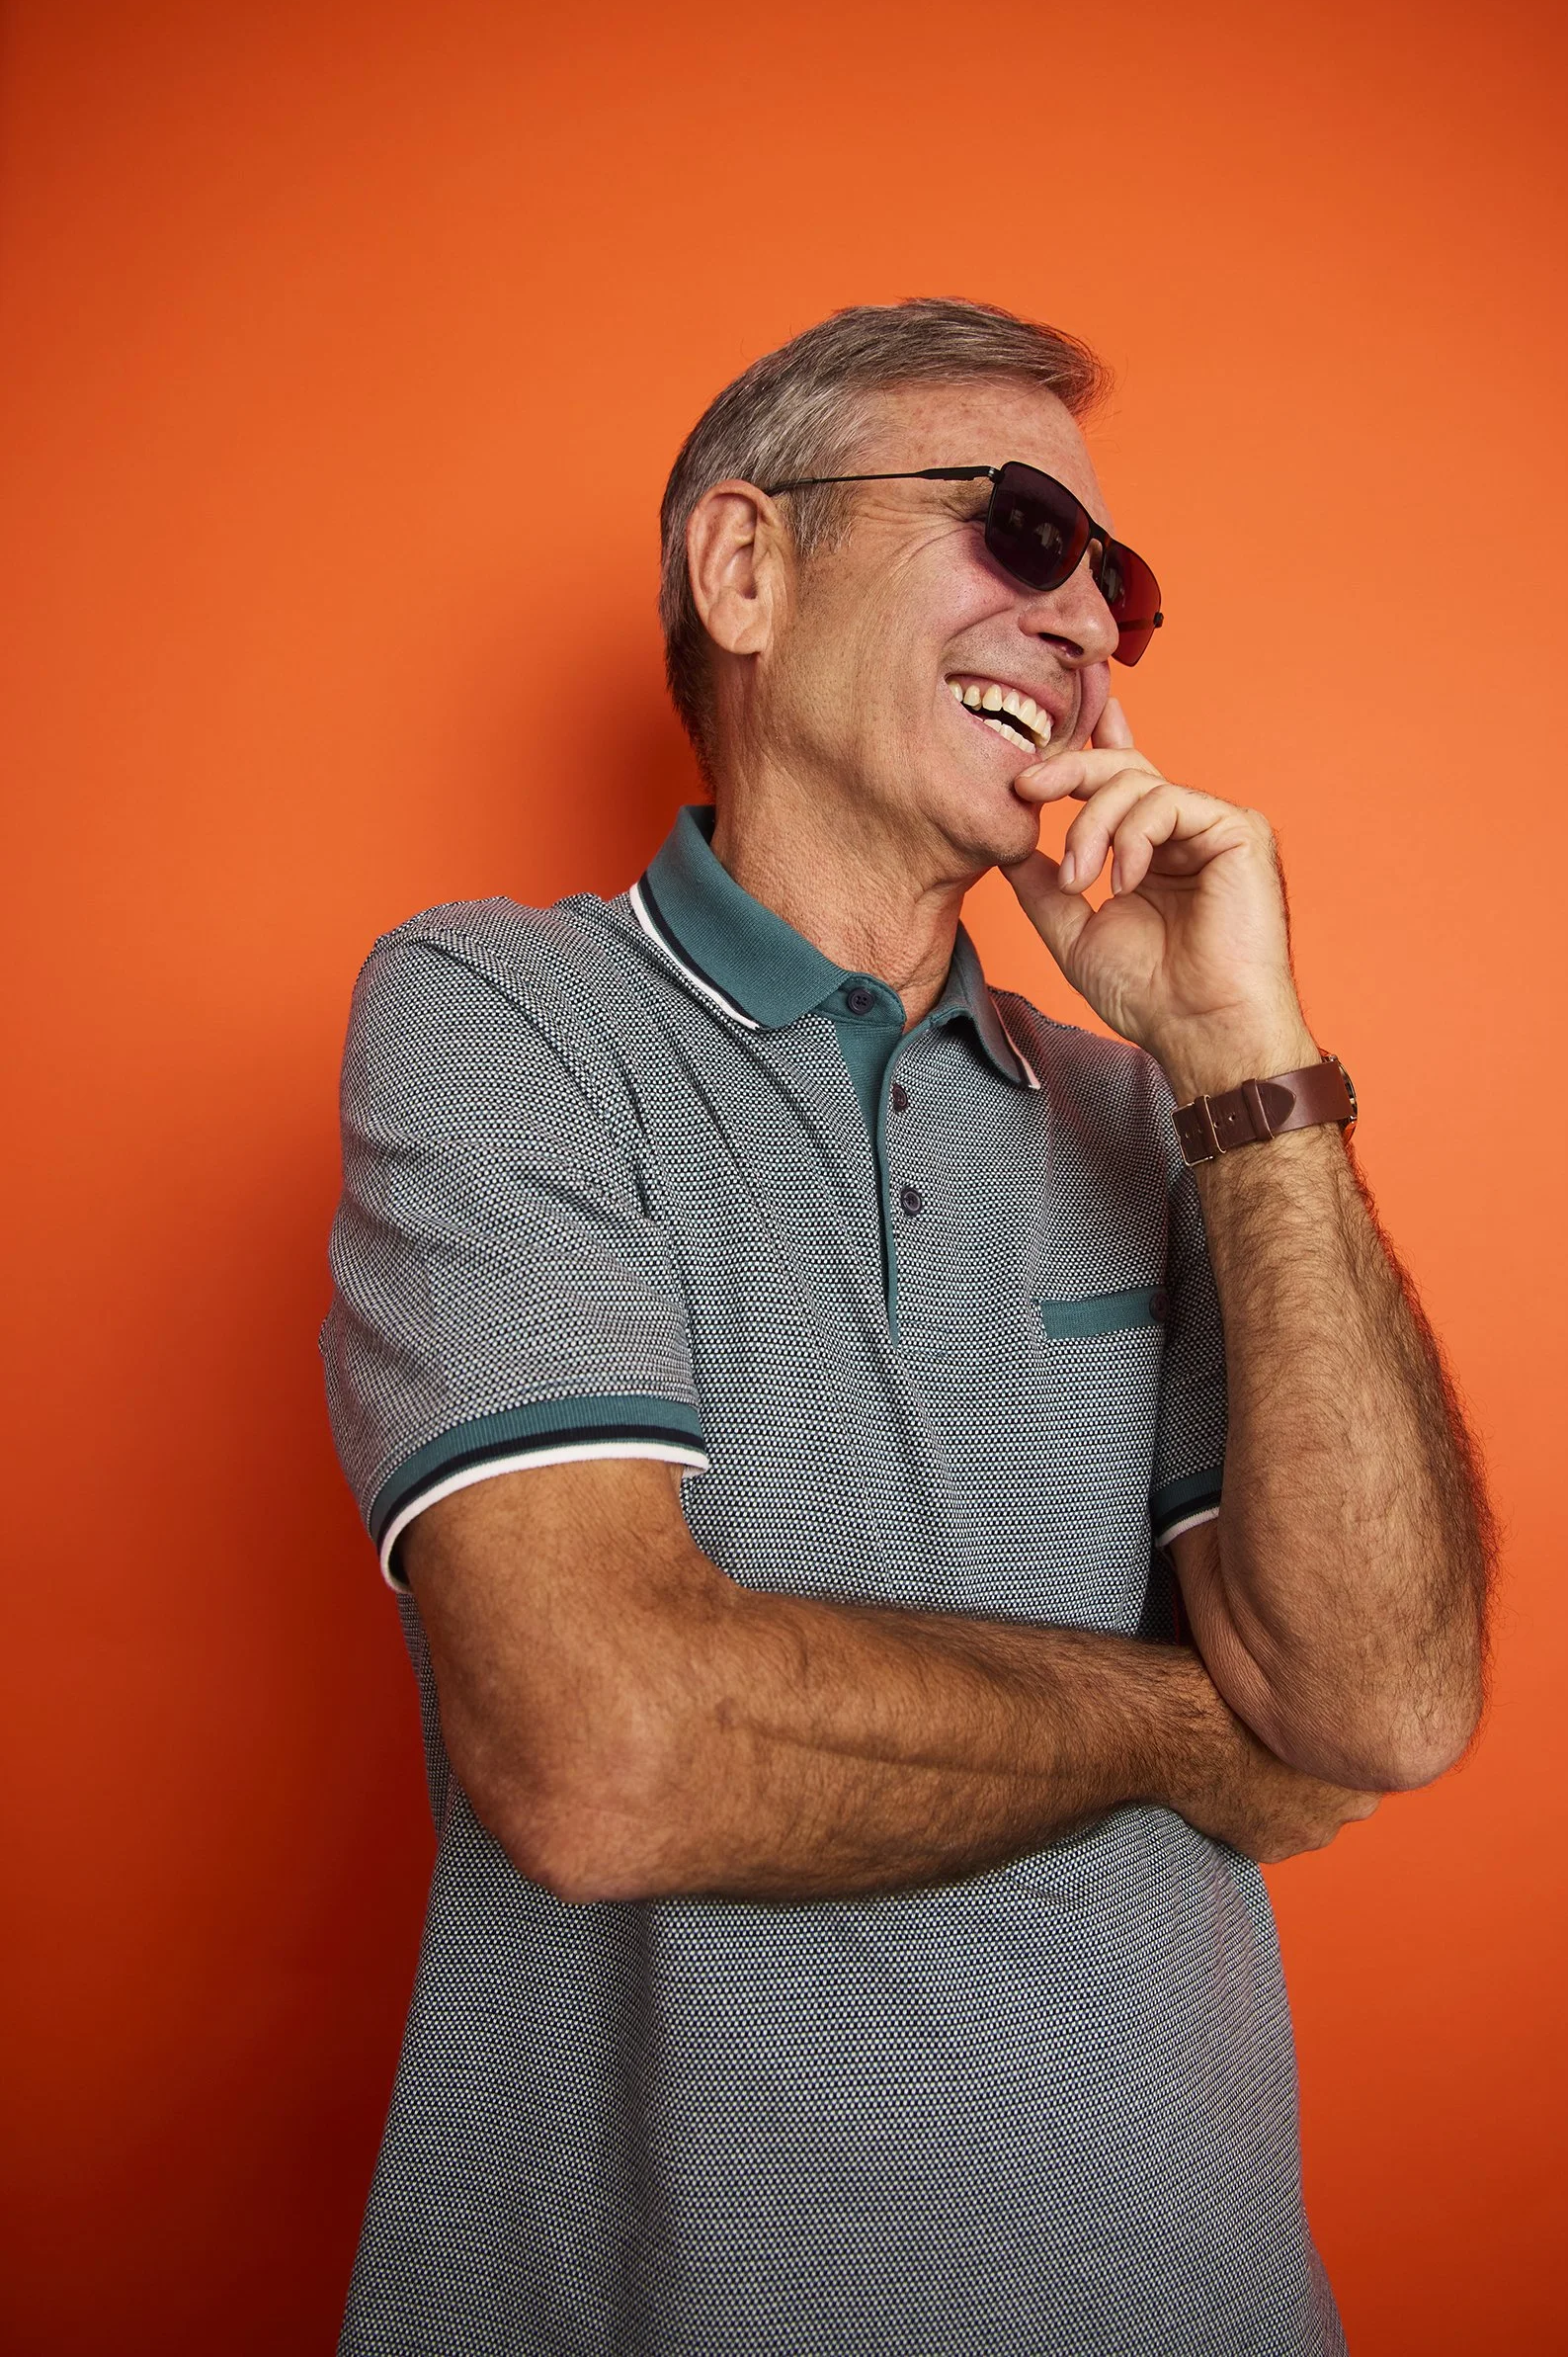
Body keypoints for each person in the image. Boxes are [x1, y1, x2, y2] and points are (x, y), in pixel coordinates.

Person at [321, 297, 1491, 2357]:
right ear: (745, 567)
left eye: (1114, 588)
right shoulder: (502, 1016)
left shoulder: (1157, 1114)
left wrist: (1250, 1064)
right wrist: (1193, 1730)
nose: (1087, 629)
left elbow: (1380, 1703)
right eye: (1023, 531)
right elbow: (608, 1746)